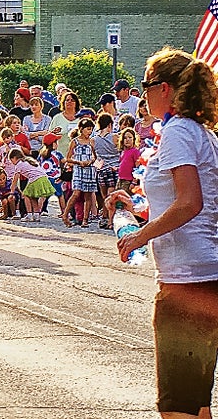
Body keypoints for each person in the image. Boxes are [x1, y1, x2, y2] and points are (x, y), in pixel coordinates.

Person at [105, 47, 218, 419]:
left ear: (165, 88)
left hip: (187, 281)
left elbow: (190, 203)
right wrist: (135, 210)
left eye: (146, 85)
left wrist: (139, 236)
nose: (143, 93)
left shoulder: (179, 132)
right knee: (197, 405)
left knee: (177, 408)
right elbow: (186, 202)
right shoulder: (200, 132)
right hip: (204, 275)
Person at [62, 118, 97, 228]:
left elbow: (95, 157)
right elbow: (68, 158)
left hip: (90, 169)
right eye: (88, 129)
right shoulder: (75, 141)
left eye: (91, 129)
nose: (89, 132)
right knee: (76, 193)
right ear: (81, 129)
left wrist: (90, 161)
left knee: (88, 195)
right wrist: (78, 162)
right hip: (78, 169)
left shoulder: (91, 141)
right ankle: (65, 214)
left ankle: (85, 219)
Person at [9, 148, 56, 222]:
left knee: (25, 195)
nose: (12, 162)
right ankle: (36, 215)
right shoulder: (28, 160)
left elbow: (15, 179)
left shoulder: (19, 164)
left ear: (14, 158)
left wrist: (12, 191)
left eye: (11, 160)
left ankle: (29, 214)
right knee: (33, 197)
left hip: (36, 179)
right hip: (43, 178)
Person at [94, 112, 120, 228]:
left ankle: (104, 217)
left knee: (104, 196)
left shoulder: (93, 140)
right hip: (114, 169)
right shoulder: (115, 137)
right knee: (112, 196)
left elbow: (96, 158)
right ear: (110, 124)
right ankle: (110, 220)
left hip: (101, 170)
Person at [37, 134, 66, 216]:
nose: (57, 144)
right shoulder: (57, 154)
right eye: (56, 142)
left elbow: (38, 164)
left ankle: (37, 212)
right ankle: (64, 212)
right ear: (53, 144)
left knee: (42, 196)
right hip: (56, 178)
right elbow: (64, 161)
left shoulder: (42, 154)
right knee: (60, 195)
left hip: (45, 178)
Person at [116, 127, 140, 195]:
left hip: (128, 181)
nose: (127, 140)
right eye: (125, 138)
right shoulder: (123, 152)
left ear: (134, 139)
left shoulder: (135, 151)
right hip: (120, 179)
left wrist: (134, 182)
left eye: (130, 137)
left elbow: (138, 167)